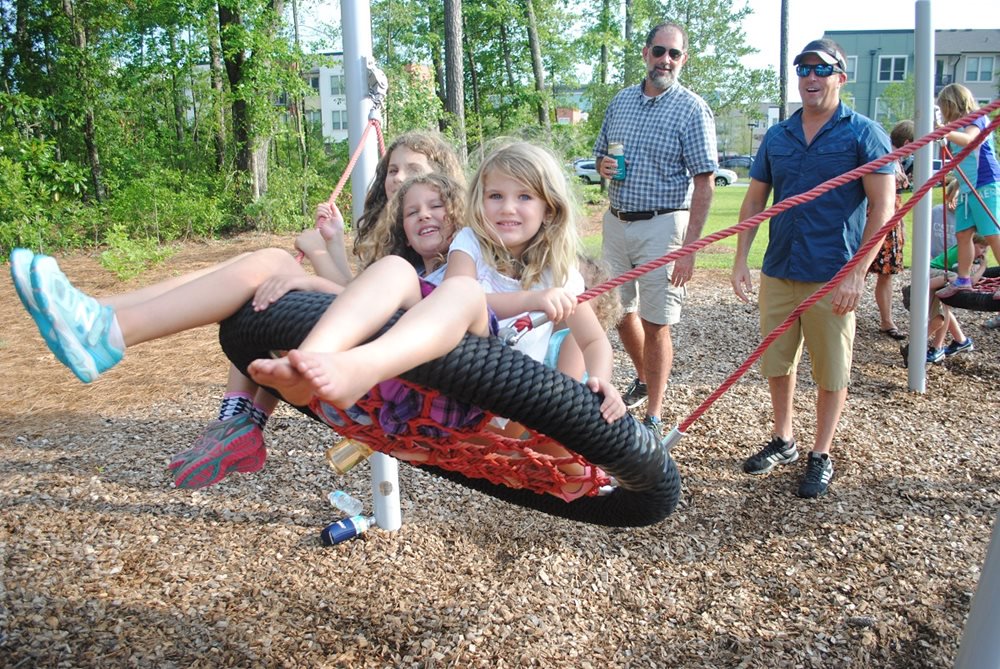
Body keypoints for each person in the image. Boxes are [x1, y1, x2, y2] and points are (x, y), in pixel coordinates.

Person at [8, 171, 467, 477]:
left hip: (389, 395)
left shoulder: (465, 275)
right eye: (410, 209)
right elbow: (360, 297)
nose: (422, 213)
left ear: (462, 210)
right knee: (262, 267)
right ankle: (99, 314)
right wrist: (327, 253)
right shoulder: (410, 270)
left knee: (269, 266)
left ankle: (108, 330)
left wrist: (313, 275)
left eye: (435, 205)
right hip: (359, 384)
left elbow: (394, 315)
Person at [247, 141, 627, 500]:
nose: (507, 208)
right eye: (496, 196)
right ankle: (310, 362)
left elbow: (594, 341)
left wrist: (601, 381)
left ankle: (357, 368)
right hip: (436, 362)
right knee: (397, 268)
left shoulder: (561, 276)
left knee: (462, 293)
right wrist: (532, 299)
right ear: (479, 202)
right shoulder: (471, 243)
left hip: (481, 389)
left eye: (524, 197)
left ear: (550, 208)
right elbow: (458, 293)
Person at [170, 132, 466, 488]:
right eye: (392, 169)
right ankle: (237, 424)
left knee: (273, 274)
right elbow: (356, 294)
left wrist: (317, 267)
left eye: (413, 169)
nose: (399, 178)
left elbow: (389, 309)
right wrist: (331, 242)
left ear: (444, 183)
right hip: (368, 373)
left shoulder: (457, 252)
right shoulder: (401, 243)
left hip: (390, 386)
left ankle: (238, 422)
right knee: (265, 292)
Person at [730, 38, 896, 498]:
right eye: (803, 69)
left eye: (821, 70)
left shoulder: (864, 133)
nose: (810, 78)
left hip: (833, 274)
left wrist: (858, 273)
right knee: (777, 363)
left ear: (841, 77)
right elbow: (754, 199)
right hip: (780, 267)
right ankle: (784, 439)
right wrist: (742, 259)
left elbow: (884, 208)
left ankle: (820, 453)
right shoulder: (779, 136)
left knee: (832, 370)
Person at [593, 20, 717, 438]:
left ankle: (655, 414)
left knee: (656, 321)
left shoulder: (692, 108)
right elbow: (599, 155)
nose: (666, 59)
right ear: (646, 54)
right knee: (616, 310)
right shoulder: (621, 102)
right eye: (659, 51)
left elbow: (704, 182)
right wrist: (603, 167)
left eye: (674, 54)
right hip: (617, 220)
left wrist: (690, 248)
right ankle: (644, 379)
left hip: (665, 225)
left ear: (684, 60)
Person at [934, 84, 1000, 301]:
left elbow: (970, 141)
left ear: (951, 105)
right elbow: (961, 164)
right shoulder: (957, 128)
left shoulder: (976, 119)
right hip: (967, 188)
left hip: (985, 184)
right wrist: (956, 187)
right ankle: (963, 279)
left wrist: (945, 131)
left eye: (943, 107)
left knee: (991, 233)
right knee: (962, 234)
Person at [868, 120, 912, 340]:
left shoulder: (897, 161)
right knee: (856, 270)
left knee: (886, 275)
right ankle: (839, 316)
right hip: (875, 222)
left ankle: (887, 321)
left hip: (890, 223)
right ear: (907, 142)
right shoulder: (883, 156)